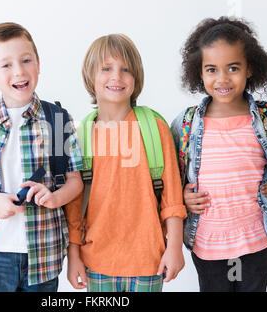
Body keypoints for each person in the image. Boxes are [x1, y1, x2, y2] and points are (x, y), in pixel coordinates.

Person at [170, 16, 267, 292]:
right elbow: (167, 173)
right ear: (199, 73)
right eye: (211, 69)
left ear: (250, 69)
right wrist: (181, 196)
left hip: (255, 242)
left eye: (233, 68)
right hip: (207, 244)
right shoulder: (186, 123)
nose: (222, 78)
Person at [0, 22, 84, 292]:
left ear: (38, 64)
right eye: (6, 65)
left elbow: (75, 181)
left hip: (44, 250)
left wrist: (55, 198)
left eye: (26, 60)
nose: (19, 71)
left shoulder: (58, 120)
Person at [65, 34, 187, 292]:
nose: (116, 77)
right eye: (106, 69)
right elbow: (75, 207)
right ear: (90, 76)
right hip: (97, 262)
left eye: (125, 70)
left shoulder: (155, 128)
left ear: (136, 78)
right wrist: (73, 255)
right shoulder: (82, 134)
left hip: (149, 261)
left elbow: (172, 197)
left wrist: (175, 247)